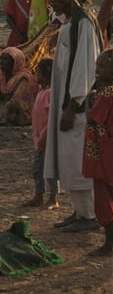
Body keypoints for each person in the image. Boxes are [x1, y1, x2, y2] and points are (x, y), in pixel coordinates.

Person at [45, 0, 101, 232]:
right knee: (68, 159)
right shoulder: (69, 21)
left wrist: (72, 105)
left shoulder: (83, 23)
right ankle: (79, 211)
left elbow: (85, 67)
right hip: (65, 103)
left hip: (76, 107)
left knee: (78, 160)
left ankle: (89, 215)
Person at [83, 49, 113, 256]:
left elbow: (93, 118)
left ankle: (110, 243)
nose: (97, 70)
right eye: (97, 66)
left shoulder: (108, 92)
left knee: (103, 197)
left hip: (104, 150)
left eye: (102, 67)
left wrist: (89, 101)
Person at [24, 58, 57, 208]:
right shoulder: (41, 92)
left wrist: (45, 135)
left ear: (46, 74)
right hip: (39, 139)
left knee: (50, 168)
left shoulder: (49, 93)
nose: (35, 75)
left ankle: (53, 198)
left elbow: (51, 117)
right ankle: (39, 195)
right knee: (38, 168)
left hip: (46, 138)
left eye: (38, 72)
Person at [0, 46, 39, 125]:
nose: (1, 62)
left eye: (5, 59)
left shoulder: (24, 77)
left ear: (15, 62)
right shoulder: (3, 76)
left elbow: (17, 102)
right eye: (1, 58)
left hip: (20, 114)